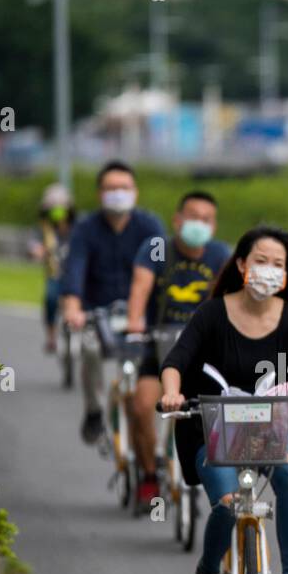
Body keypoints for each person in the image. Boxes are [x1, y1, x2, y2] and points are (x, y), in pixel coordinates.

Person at [160, 226, 288, 574]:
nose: (269, 270)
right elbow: (175, 362)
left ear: (287, 275)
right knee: (226, 507)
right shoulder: (211, 313)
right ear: (241, 264)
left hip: (272, 428)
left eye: (279, 265)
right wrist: (172, 393)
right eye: (261, 261)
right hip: (211, 430)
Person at [125, 190, 229, 510]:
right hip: (157, 348)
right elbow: (141, 288)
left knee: (220, 413)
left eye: (206, 219)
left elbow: (233, 299)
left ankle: (208, 477)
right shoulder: (156, 249)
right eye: (193, 216)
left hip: (205, 355)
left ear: (213, 225)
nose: (199, 223)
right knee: (142, 405)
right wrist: (133, 323)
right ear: (177, 219)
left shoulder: (221, 256)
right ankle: (148, 474)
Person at [59, 161, 166, 445]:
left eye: (124, 188)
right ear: (99, 194)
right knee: (89, 346)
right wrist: (73, 308)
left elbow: (164, 270)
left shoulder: (150, 226)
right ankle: (94, 410)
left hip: (143, 315)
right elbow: (75, 270)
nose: (118, 193)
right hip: (99, 313)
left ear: (135, 192)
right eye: (111, 188)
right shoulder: (85, 229)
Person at [28, 183, 75, 354]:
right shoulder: (43, 228)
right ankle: (51, 337)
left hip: (75, 273)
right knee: (50, 298)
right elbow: (33, 245)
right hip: (54, 273)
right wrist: (38, 250)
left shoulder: (77, 226)